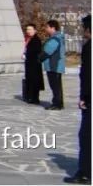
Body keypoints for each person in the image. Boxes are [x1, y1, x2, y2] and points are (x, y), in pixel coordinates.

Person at [64, 14, 91, 184]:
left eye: (84, 28)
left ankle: (86, 172)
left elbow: (88, 75)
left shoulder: (89, 48)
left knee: (87, 136)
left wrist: (85, 97)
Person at [43, 20, 66, 110]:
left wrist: (40, 57)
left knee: (55, 85)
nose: (46, 29)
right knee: (57, 85)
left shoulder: (55, 38)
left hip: (54, 65)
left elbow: (48, 50)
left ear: (53, 28)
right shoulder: (57, 37)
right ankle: (59, 103)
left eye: (47, 27)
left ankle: (57, 104)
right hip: (54, 65)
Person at [23, 23, 45, 105]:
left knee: (34, 81)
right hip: (29, 64)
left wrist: (27, 55)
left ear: (34, 30)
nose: (28, 31)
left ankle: (34, 98)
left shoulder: (36, 40)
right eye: (27, 29)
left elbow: (35, 52)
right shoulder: (28, 39)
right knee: (30, 80)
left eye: (30, 29)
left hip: (34, 64)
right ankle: (30, 96)